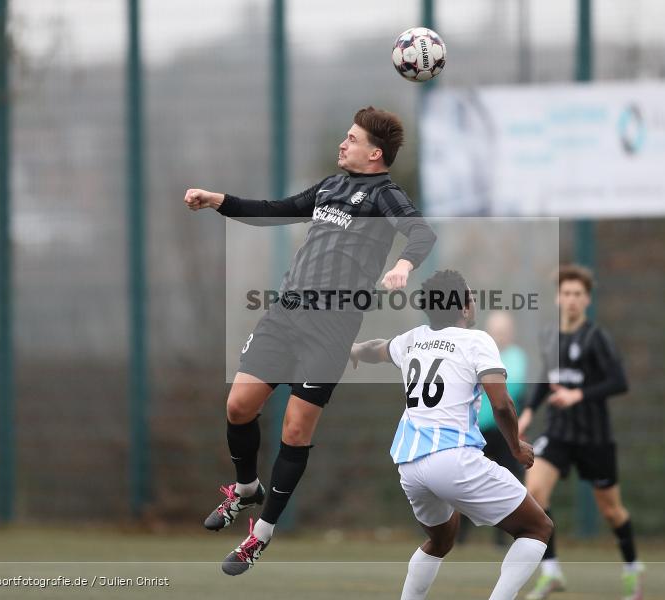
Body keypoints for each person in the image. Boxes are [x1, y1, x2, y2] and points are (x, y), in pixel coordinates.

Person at [184, 106, 437, 575]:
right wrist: (217, 199)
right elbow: (274, 210)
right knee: (239, 406)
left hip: (332, 328)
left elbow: (421, 230)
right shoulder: (329, 187)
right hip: (286, 314)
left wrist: (403, 265)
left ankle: (260, 536)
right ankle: (244, 490)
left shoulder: (385, 195)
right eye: (344, 137)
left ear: (374, 153)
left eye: (352, 138)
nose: (343, 144)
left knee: (295, 432)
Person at [350, 269, 553, 600]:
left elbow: (377, 348)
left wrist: (355, 349)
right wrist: (515, 447)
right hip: (453, 458)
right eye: (471, 296)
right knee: (538, 528)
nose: (474, 301)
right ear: (463, 306)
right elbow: (501, 404)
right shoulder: (477, 341)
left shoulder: (413, 339)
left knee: (441, 540)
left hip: (410, 465)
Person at [518, 265, 643, 600]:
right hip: (558, 434)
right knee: (534, 494)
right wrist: (528, 412)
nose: (571, 300)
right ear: (558, 297)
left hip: (595, 438)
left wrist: (579, 394)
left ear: (587, 299)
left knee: (611, 511)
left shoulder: (596, 337)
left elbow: (620, 382)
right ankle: (552, 572)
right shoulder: (549, 337)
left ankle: (632, 568)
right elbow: (545, 378)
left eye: (578, 294)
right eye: (566, 293)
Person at [459, 310, 528, 546]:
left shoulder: (516, 357)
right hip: (476, 430)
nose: (499, 336)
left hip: (503, 433)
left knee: (508, 482)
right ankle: (460, 536)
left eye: (504, 331)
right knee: (466, 483)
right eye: (496, 331)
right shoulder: (477, 353)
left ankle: (503, 537)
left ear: (512, 333)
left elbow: (510, 392)